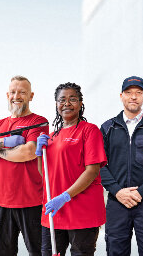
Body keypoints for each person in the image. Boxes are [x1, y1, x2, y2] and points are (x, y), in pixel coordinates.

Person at [0, 75, 49, 256]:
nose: (17, 96)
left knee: (38, 252)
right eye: (13, 92)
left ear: (31, 96)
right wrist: (6, 142)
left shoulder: (38, 122)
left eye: (23, 92)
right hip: (1, 202)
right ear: (7, 95)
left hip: (32, 201)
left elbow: (27, 153)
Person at [36, 82, 108, 256]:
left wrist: (65, 196)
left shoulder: (89, 131)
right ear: (56, 104)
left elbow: (92, 171)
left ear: (80, 104)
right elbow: (44, 174)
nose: (67, 103)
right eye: (62, 100)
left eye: (72, 99)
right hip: (54, 213)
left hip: (82, 213)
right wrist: (39, 152)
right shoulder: (51, 136)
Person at [99, 76, 143, 256]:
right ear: (121, 96)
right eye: (129, 93)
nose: (133, 97)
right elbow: (98, 165)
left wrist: (141, 192)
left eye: (138, 93)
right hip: (116, 202)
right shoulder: (107, 128)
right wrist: (117, 191)